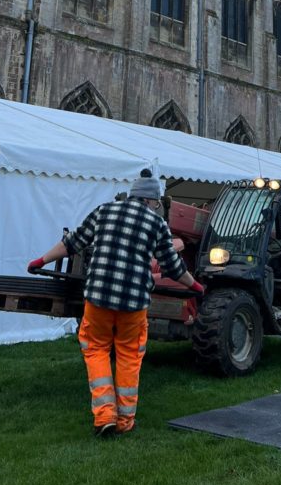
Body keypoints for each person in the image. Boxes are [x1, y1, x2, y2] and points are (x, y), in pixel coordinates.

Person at [27, 170, 204, 438]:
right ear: (151, 201)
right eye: (156, 203)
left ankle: (104, 416)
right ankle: (125, 421)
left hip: (98, 297)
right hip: (133, 303)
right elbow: (173, 267)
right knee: (129, 356)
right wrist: (196, 286)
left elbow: (72, 243)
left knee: (96, 349)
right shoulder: (156, 224)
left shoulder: (104, 211)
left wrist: (41, 260)